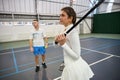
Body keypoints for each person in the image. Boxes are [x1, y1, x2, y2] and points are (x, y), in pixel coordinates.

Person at [55, 7, 94, 80]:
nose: (60, 17)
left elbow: (76, 56)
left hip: (74, 68)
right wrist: (56, 41)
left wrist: (63, 44)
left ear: (70, 18)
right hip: (68, 65)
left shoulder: (73, 32)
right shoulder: (65, 29)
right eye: (60, 15)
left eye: (63, 15)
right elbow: (58, 44)